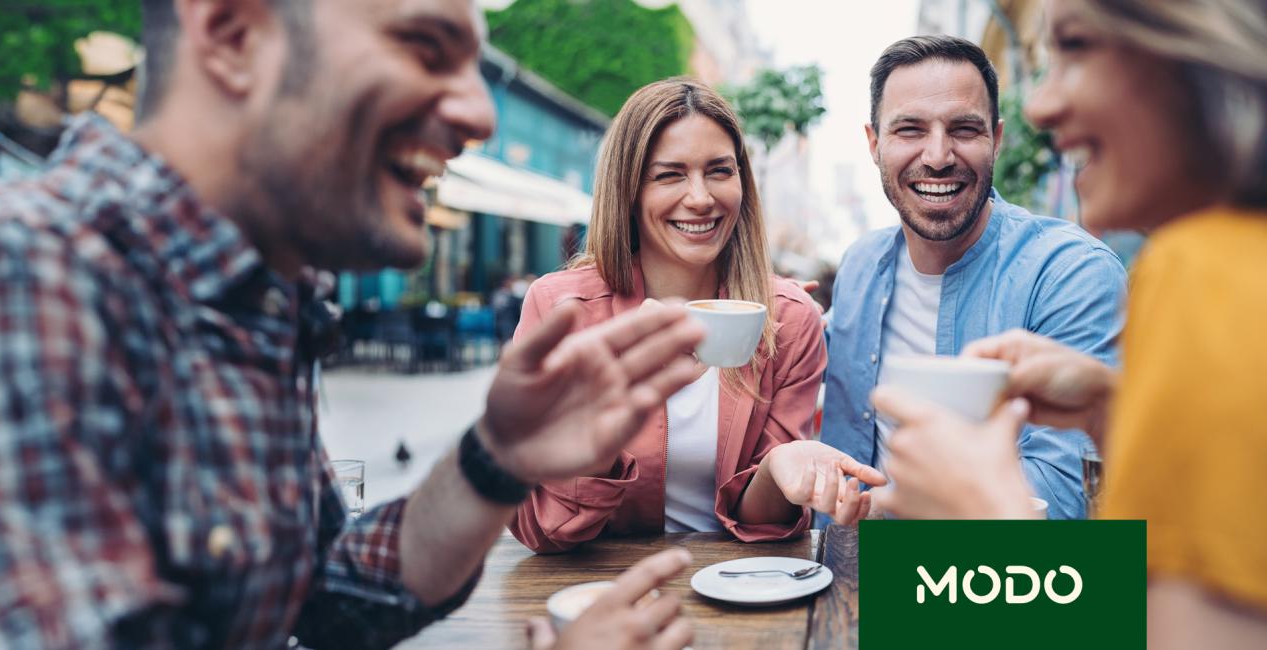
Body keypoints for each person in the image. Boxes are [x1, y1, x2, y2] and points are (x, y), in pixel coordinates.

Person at [0, 1, 705, 648]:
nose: (476, 112)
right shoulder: (0, 278)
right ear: (234, 34)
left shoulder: (254, 300)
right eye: (424, 47)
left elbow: (327, 593)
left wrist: (496, 457)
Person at [872, 0, 1267, 646]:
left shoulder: (1203, 271)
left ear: (1197, 52)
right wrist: (1112, 410)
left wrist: (987, 530)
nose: (1042, 105)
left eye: (1078, 47)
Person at [508, 79, 882, 555]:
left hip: (738, 594)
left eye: (719, 171)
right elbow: (541, 530)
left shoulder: (788, 317)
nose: (701, 197)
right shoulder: (561, 311)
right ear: (628, 189)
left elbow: (762, 525)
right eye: (670, 175)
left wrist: (780, 468)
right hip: (601, 595)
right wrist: (603, 426)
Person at [819, 35, 1128, 520]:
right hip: (842, 577)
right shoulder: (860, 265)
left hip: (995, 583)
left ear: (996, 140)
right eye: (910, 130)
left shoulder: (1071, 273)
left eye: (963, 129)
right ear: (874, 144)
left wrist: (874, 507)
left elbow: (1064, 499)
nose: (938, 155)